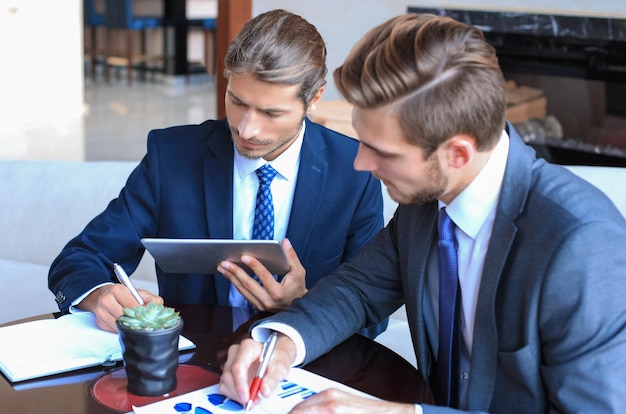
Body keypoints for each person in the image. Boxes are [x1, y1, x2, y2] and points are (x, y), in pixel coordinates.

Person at [218, 13, 626, 413]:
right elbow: (357, 290)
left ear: (457, 153)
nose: (360, 163)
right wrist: (281, 342)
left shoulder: (582, 245)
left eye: (383, 151)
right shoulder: (426, 203)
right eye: (363, 140)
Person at [48, 9, 384, 335]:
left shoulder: (355, 170)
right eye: (237, 102)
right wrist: (98, 295)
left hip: (307, 365)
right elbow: (81, 257)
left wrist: (305, 304)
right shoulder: (172, 157)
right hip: (193, 361)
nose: (247, 129)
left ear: (314, 100)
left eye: (271, 112)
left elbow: (373, 310)